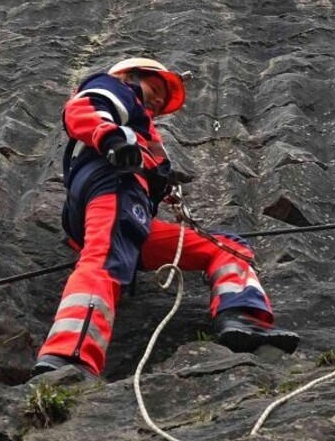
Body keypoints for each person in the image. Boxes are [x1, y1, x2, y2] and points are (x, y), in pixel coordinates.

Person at [33, 57, 298, 379]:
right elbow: (83, 109)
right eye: (155, 87)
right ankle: (69, 356)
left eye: (163, 96)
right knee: (104, 258)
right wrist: (111, 139)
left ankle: (243, 317)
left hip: (130, 212)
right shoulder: (113, 89)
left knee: (226, 247)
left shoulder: (142, 127)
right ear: (128, 76)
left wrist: (160, 182)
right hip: (112, 187)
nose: (159, 100)